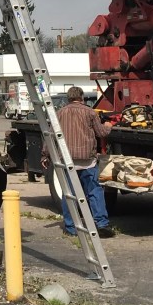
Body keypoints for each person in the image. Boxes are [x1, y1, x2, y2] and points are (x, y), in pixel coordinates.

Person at [54, 86, 114, 238]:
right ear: (82, 97)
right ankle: (101, 224)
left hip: (68, 160)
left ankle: (71, 228)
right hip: (87, 160)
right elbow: (101, 133)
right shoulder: (90, 112)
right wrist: (108, 126)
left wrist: (45, 155)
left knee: (69, 195)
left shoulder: (59, 113)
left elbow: (51, 135)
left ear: (68, 98)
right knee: (94, 191)